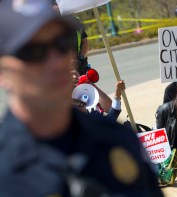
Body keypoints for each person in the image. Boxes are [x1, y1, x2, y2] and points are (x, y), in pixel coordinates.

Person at [0, 0, 164, 196]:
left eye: (61, 43)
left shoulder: (117, 139)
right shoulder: (5, 167)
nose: (56, 61)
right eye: (33, 51)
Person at [52, 0, 90, 75]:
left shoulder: (75, 21)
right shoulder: (50, 27)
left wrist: (81, 58)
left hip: (80, 66)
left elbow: (85, 41)